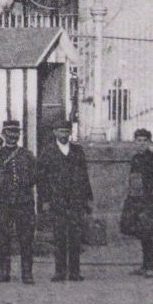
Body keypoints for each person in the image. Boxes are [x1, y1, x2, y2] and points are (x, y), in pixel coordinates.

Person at [35, 116, 93, 282]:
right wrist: (45, 200)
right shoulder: (47, 152)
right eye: (61, 131)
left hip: (76, 200)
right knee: (59, 236)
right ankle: (60, 272)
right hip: (56, 200)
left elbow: (84, 176)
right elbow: (41, 179)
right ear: (55, 132)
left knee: (75, 236)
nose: (64, 134)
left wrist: (88, 198)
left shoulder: (77, 151)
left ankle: (75, 272)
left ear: (70, 133)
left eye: (67, 131)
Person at [0, 118, 40, 284]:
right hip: (3, 203)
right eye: (9, 133)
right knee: (3, 238)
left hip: (24, 203)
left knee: (26, 239)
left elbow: (36, 176)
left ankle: (27, 273)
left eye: (16, 133)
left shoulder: (27, 155)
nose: (13, 136)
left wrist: (25, 183)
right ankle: (4, 272)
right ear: (4, 134)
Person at [120, 127, 153, 277]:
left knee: (151, 234)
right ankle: (144, 265)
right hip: (136, 201)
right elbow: (133, 180)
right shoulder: (135, 159)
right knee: (141, 232)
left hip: (150, 202)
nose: (141, 143)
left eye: (144, 141)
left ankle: (152, 267)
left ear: (149, 142)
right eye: (138, 140)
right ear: (134, 142)